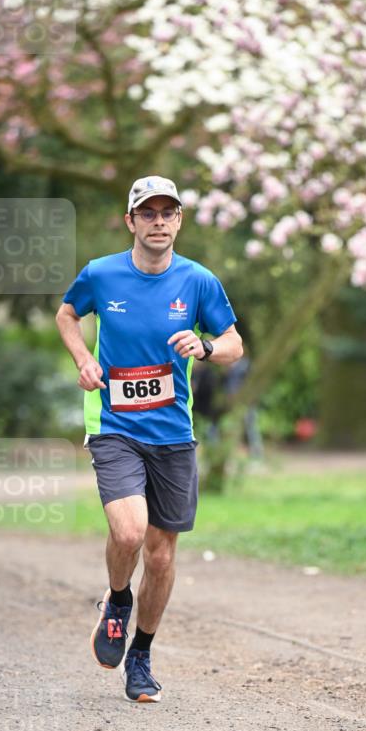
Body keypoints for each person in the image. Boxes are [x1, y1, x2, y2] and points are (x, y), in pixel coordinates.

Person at [56, 176, 243, 703]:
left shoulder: (199, 281)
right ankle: (117, 601)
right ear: (131, 221)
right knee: (130, 531)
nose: (158, 221)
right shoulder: (102, 274)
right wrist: (84, 359)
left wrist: (205, 348)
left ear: (180, 220)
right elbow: (67, 313)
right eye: (148, 212)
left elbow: (234, 343)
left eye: (168, 212)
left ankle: (140, 654)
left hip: (172, 434)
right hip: (114, 425)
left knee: (161, 558)